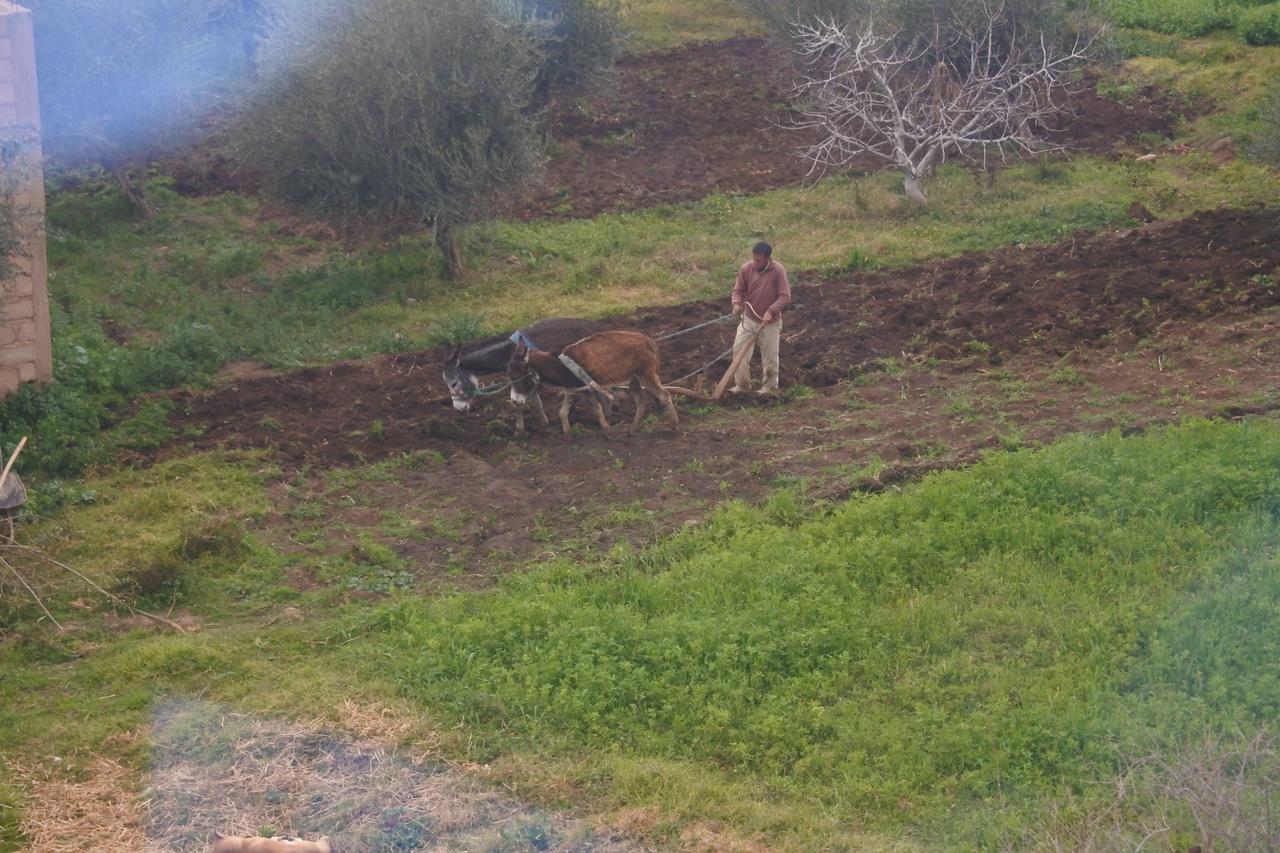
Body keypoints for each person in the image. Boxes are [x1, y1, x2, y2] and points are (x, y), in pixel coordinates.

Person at [729, 241, 791, 395]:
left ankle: (769, 388)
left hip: (770, 323)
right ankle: (742, 386)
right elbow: (738, 291)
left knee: (770, 358)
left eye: (758, 260)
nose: (754, 262)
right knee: (738, 352)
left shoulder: (777, 270)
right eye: (753, 258)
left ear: (767, 258)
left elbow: (785, 296)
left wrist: (771, 311)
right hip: (748, 319)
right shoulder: (746, 269)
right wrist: (736, 304)